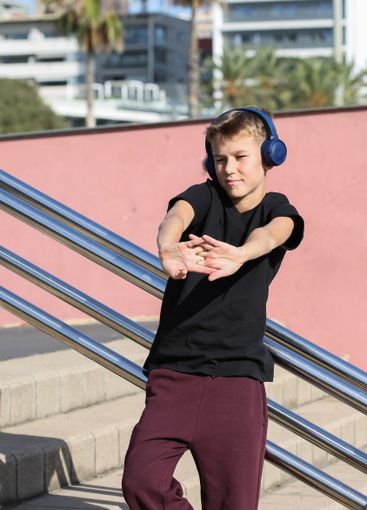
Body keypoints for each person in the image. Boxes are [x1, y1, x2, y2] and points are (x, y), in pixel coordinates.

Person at [122, 107, 304, 510]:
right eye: (220, 159)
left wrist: (241, 255)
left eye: (240, 157)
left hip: (237, 382)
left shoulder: (277, 208)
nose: (229, 169)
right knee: (141, 480)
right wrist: (167, 245)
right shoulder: (203, 196)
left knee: (233, 504)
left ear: (270, 155)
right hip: (174, 375)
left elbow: (277, 232)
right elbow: (176, 215)